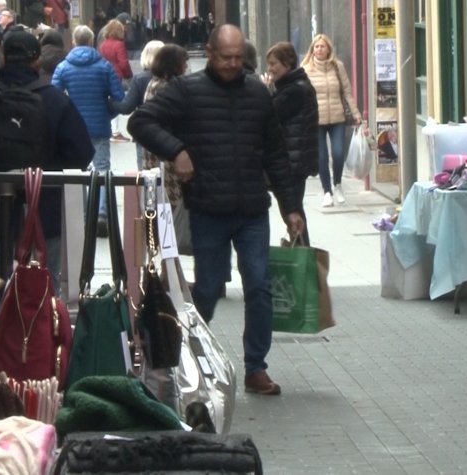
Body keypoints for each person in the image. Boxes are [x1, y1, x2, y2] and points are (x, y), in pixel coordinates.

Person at [128, 24, 305, 396]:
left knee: (259, 287)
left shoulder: (258, 93)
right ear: (209, 53)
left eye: (239, 57)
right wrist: (176, 151)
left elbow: (275, 155)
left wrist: (291, 208)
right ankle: (188, 359)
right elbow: (139, 121)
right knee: (207, 290)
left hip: (252, 209)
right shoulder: (186, 90)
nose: (233, 64)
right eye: (226, 57)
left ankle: (256, 367)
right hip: (208, 208)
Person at [0, 29, 94, 313]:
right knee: (45, 287)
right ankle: (42, 338)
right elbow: (82, 154)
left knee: (1, 290)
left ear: (2, 57)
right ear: (37, 60)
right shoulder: (55, 101)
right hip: (45, 212)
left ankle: (5, 336)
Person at [52, 25, 124, 237]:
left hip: (74, 127)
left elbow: (55, 96)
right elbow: (118, 96)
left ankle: (83, 214)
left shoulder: (63, 67)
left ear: (74, 42)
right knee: (101, 170)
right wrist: (107, 112)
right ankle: (101, 213)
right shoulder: (104, 66)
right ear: (92, 42)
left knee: (78, 171)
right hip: (99, 124)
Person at [262, 41, 319, 246]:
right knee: (293, 211)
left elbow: (269, 115)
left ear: (287, 63)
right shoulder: (294, 86)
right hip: (295, 160)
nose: (270, 69)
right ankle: (302, 252)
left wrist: (266, 91)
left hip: (292, 162)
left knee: (293, 212)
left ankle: (303, 255)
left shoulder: (293, 91)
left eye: (273, 64)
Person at [301, 33, 362, 208]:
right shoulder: (306, 69)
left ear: (328, 49)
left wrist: (356, 114)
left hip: (337, 118)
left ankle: (338, 184)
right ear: (312, 50)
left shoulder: (337, 66)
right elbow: (301, 95)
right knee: (321, 157)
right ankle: (327, 191)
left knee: (338, 153)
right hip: (316, 119)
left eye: (322, 46)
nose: (319, 49)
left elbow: (347, 92)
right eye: (316, 47)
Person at [141, 43, 189, 208]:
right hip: (167, 156)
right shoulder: (167, 87)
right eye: (183, 62)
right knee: (170, 205)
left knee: (155, 202)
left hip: (154, 153)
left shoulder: (153, 83)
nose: (186, 66)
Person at [109, 39, 164, 169]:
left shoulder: (140, 79)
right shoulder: (173, 78)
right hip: (166, 132)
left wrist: (110, 102)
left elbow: (126, 107)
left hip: (144, 132)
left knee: (145, 173)